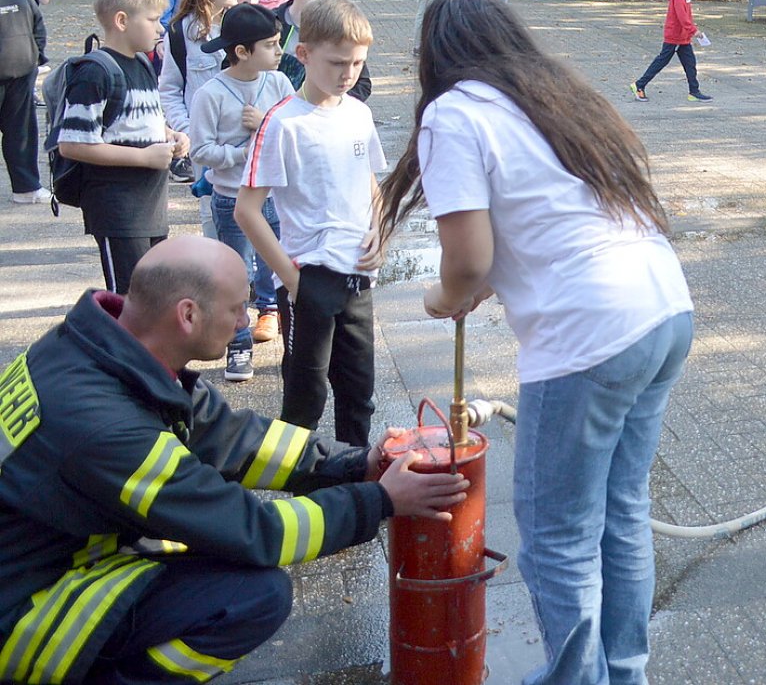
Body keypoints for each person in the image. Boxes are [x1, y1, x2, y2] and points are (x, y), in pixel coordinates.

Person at [377, 0, 693, 685]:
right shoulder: (554, 95)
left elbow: (466, 262)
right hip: (663, 309)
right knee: (621, 514)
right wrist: (476, 283)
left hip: (589, 337)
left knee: (557, 537)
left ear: (434, 56)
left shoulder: (454, 114)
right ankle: (624, 673)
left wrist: (443, 299)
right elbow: (538, 228)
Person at [0, 236, 469, 685]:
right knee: (254, 596)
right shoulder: (106, 426)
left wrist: (354, 463)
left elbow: (231, 438)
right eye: (236, 307)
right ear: (188, 315)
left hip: (55, 551)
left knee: (201, 545)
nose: (246, 319)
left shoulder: (96, 350)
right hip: (22, 608)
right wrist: (380, 500)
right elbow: (256, 531)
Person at [237, 0, 385, 447]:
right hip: (310, 276)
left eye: (358, 63)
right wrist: (292, 279)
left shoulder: (359, 113)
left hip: (359, 275)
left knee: (359, 394)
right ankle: (302, 489)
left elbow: (372, 185)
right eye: (338, 62)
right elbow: (247, 209)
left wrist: (379, 231)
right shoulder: (283, 123)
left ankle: (357, 483)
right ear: (303, 54)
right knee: (305, 396)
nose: (348, 74)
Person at [54, 0, 191, 293]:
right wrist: (143, 157)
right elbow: (72, 144)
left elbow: (138, 121)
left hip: (151, 207)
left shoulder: (142, 64)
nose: (160, 28)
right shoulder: (95, 72)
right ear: (121, 20)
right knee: (130, 300)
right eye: (154, 19)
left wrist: (170, 135)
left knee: (154, 297)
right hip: (118, 211)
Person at [191, 4, 295, 380]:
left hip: (276, 199)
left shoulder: (280, 83)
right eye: (270, 45)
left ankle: (292, 345)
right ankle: (237, 346)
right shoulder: (211, 94)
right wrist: (246, 150)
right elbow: (200, 150)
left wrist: (265, 123)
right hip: (232, 200)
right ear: (241, 52)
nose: (279, 51)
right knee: (236, 275)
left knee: (281, 272)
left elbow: (293, 130)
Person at [159, 0, 239, 202]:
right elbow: (170, 89)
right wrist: (188, 131)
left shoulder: (245, 25)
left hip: (242, 137)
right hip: (204, 142)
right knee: (210, 209)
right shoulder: (178, 32)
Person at [272, 0, 372, 101]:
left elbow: (362, 84)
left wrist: (328, 103)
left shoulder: (340, 25)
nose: (340, 2)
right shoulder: (269, 23)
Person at [0, 0, 48, 204]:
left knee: (21, 134)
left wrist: (36, 57)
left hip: (20, 76)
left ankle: (27, 189)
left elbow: (38, 27)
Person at [631, 0, 712, 103]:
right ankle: (639, 85)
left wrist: (689, 31)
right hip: (674, 36)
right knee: (661, 62)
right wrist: (693, 30)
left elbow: (686, 15)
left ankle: (694, 91)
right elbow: (681, 15)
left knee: (690, 63)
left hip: (683, 37)